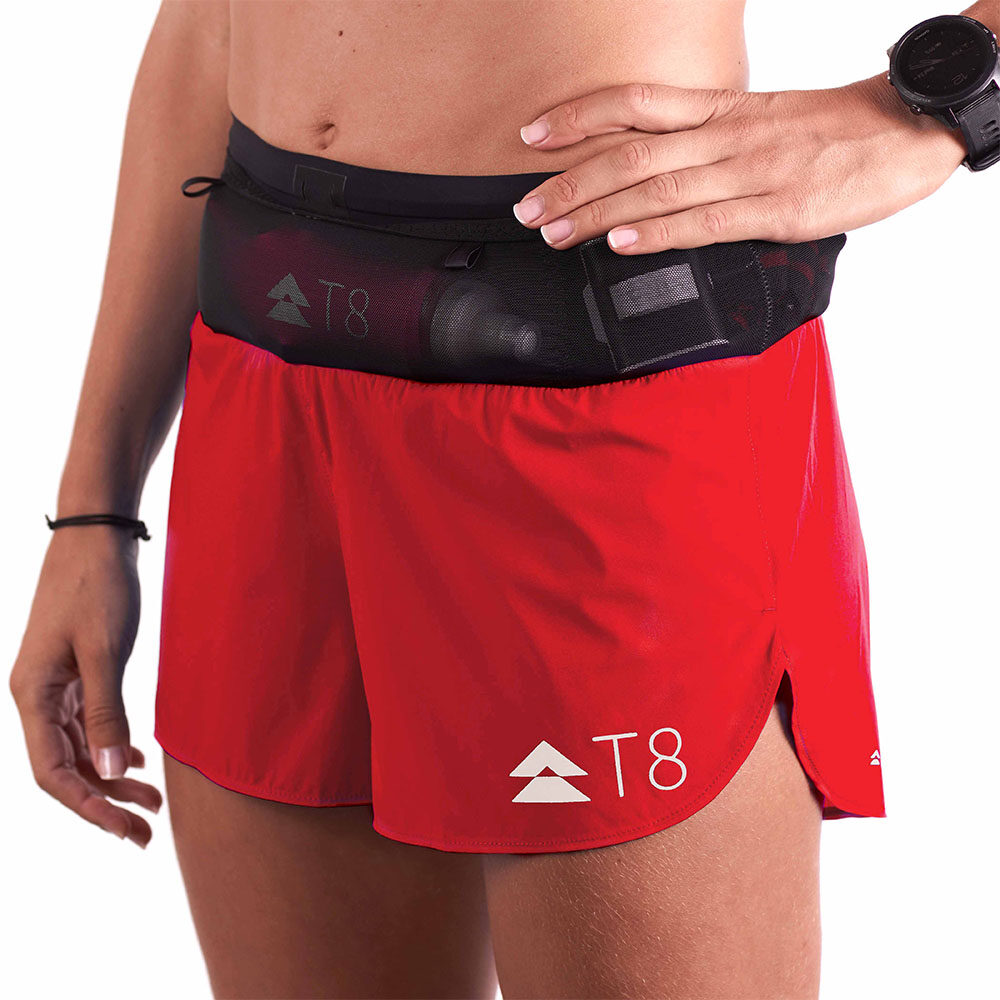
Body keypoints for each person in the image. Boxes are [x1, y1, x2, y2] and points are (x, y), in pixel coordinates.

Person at [8, 1, 998, 997]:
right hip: (266, 363)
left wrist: (937, 109)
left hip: (598, 376)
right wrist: (94, 508)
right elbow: (209, 21)